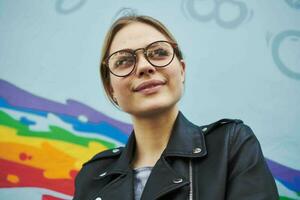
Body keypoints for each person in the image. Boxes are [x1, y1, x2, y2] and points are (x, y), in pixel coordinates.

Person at [73, 15, 279, 200]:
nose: (145, 66)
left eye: (159, 52)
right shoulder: (93, 176)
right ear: (111, 90)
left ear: (181, 70)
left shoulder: (231, 144)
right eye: (124, 61)